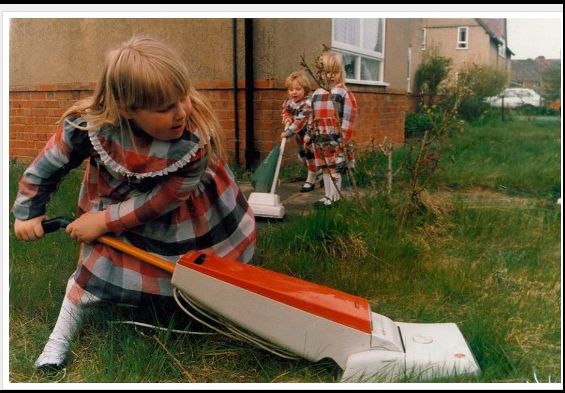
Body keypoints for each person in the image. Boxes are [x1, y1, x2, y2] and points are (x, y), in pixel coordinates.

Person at [11, 36, 257, 371]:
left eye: (182, 97)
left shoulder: (193, 141)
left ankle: (191, 309)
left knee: (190, 273)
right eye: (164, 108)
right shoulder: (89, 127)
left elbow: (167, 198)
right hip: (114, 200)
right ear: (126, 109)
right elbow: (46, 166)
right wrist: (28, 213)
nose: (182, 111)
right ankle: (59, 339)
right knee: (94, 269)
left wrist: (104, 221)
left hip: (178, 212)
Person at [305, 51, 357, 207]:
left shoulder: (343, 93)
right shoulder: (316, 94)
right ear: (320, 73)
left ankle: (335, 198)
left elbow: (348, 119)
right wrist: (309, 134)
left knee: (334, 167)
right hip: (320, 138)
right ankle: (327, 196)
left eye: (334, 72)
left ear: (340, 73)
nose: (330, 76)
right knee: (325, 167)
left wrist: (343, 140)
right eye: (327, 72)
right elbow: (311, 117)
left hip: (335, 138)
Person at [280, 70, 321, 192]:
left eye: (298, 89)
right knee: (302, 157)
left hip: (309, 135)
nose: (294, 92)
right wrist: (287, 118)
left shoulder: (307, 104)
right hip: (299, 136)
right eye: (291, 89)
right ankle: (319, 172)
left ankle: (310, 181)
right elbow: (285, 111)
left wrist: (287, 133)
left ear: (305, 90)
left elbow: (300, 121)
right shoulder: (289, 103)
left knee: (310, 157)